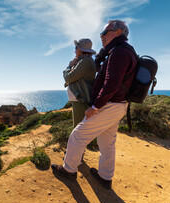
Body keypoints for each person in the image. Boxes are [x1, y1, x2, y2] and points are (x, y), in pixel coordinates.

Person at [52, 20, 137, 189]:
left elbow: (111, 83)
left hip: (110, 105)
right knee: (107, 143)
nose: (101, 36)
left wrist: (95, 107)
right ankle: (105, 177)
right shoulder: (121, 51)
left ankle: (69, 170)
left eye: (104, 33)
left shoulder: (119, 53)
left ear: (118, 32)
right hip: (118, 105)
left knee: (78, 135)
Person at [63, 38, 96, 127]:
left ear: (80, 50)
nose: (74, 51)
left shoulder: (85, 61)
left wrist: (69, 67)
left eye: (75, 48)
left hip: (80, 100)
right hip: (79, 99)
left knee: (78, 129)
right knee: (80, 129)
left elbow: (68, 78)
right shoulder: (84, 61)